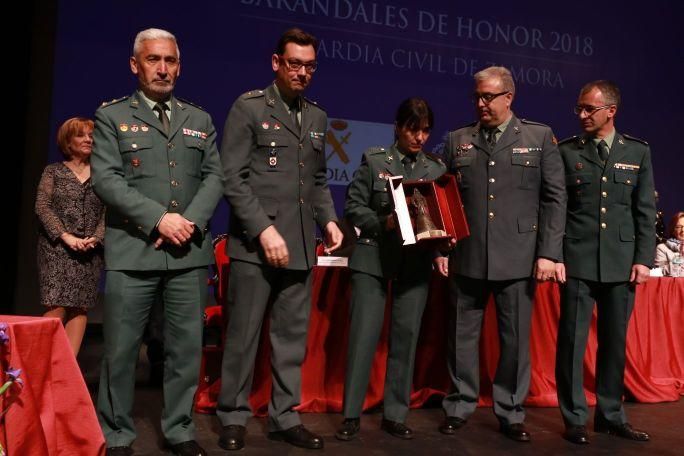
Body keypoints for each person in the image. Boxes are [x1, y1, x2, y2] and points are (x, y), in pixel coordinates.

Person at [91, 28, 223, 456]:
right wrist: (159, 219)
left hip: (187, 253)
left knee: (185, 351)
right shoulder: (111, 117)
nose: (162, 68)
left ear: (179, 66)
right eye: (153, 60)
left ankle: (181, 430)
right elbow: (106, 180)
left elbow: (215, 176)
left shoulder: (199, 120)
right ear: (135, 64)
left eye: (170, 61)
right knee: (121, 352)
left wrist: (188, 221)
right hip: (134, 251)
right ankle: (116, 434)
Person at [217, 27, 343, 451]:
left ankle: (283, 417)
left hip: (300, 246)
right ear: (276, 63)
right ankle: (233, 415)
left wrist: (329, 220)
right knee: (244, 337)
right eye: (294, 64)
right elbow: (232, 178)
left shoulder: (318, 116)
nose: (302, 73)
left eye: (310, 66)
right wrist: (263, 228)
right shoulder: (249, 108)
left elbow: (318, 179)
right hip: (256, 245)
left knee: (290, 341)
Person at [435, 66, 566, 442]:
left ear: (509, 97)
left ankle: (510, 410)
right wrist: (443, 248)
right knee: (460, 337)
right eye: (477, 96)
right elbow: (446, 199)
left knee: (515, 341)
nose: (480, 104)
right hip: (468, 254)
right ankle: (459, 405)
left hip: (520, 256)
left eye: (488, 97)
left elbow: (555, 199)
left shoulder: (539, 137)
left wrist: (549, 254)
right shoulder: (459, 138)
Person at [335, 98, 446, 441]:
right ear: (397, 127)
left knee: (406, 339)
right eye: (413, 129)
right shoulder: (375, 159)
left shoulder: (436, 170)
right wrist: (382, 222)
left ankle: (395, 414)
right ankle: (351, 414)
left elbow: (439, 219)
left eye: (426, 130)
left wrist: (442, 242)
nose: (420, 137)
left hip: (414, 264)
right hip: (372, 258)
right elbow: (353, 207)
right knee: (363, 338)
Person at [555, 80, 656, 445]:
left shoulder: (637, 151)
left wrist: (643, 259)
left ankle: (611, 415)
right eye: (579, 108)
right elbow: (557, 209)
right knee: (572, 342)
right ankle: (575, 418)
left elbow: (644, 211)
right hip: (578, 259)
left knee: (614, 344)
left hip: (620, 261)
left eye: (589, 109)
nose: (582, 115)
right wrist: (554, 255)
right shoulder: (567, 152)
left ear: (610, 111)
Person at [35, 117, 104, 357]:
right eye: (81, 135)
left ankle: (67, 367)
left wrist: (96, 237)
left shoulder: (102, 175)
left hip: (89, 250)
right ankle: (43, 363)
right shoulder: (53, 172)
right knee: (56, 305)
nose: (88, 140)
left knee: (80, 307)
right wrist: (66, 236)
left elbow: (110, 210)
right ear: (68, 141)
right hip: (57, 249)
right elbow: (42, 207)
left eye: (91, 136)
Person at [654, 211, 684, 276]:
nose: (683, 230)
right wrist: (681, 258)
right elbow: (660, 272)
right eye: (679, 227)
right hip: (674, 285)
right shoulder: (662, 248)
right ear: (673, 230)